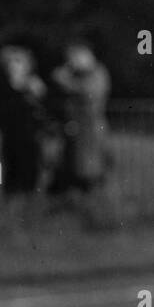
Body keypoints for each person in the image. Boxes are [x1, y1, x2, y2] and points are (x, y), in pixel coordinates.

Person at [48, 38, 112, 210]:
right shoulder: (78, 75)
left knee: (91, 169)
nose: (73, 61)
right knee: (72, 167)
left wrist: (66, 78)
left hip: (91, 129)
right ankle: (75, 206)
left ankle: (94, 208)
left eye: (75, 57)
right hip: (76, 129)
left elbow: (87, 92)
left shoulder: (98, 73)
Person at [0, 44, 48, 228]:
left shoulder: (35, 86)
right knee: (10, 181)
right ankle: (10, 222)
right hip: (10, 141)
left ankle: (29, 220)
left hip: (31, 141)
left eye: (19, 62)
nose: (15, 66)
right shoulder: (2, 86)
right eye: (12, 62)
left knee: (30, 181)